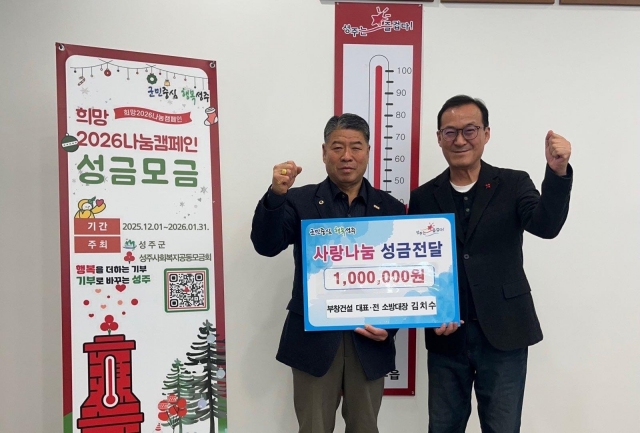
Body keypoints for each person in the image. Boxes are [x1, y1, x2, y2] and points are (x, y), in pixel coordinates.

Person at [408, 95, 573, 433]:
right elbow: (417, 265)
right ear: (439, 138)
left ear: (486, 133)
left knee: (502, 427)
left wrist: (557, 172)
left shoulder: (513, 183)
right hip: (447, 337)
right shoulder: (424, 196)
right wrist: (431, 314)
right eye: (450, 132)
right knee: (442, 427)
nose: (460, 140)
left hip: (505, 332)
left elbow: (546, 226)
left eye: (469, 130)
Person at [251, 113, 406, 433]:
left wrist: (389, 328)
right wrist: (276, 195)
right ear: (324, 152)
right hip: (314, 341)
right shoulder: (299, 200)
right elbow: (266, 245)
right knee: (314, 428)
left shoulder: (390, 207)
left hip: (369, 340)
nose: (347, 155)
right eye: (337, 147)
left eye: (356, 147)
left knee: (366, 427)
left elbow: (402, 277)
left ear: (368, 152)